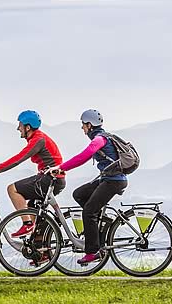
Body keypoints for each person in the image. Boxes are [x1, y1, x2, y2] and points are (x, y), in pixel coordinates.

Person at [49, 109, 128, 264]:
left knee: (88, 211)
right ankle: (100, 223)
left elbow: (83, 156)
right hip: (108, 179)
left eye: (83, 125)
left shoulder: (99, 139)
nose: (82, 128)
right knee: (79, 194)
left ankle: (93, 251)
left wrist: (61, 168)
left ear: (90, 125)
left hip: (113, 181)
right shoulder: (101, 137)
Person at [0, 110, 65, 238]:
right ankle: (41, 251)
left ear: (28, 127)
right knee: (33, 209)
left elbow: (18, 159)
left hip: (50, 179)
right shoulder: (38, 138)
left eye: (20, 125)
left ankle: (27, 224)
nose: (18, 128)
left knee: (12, 189)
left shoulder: (38, 139)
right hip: (53, 179)